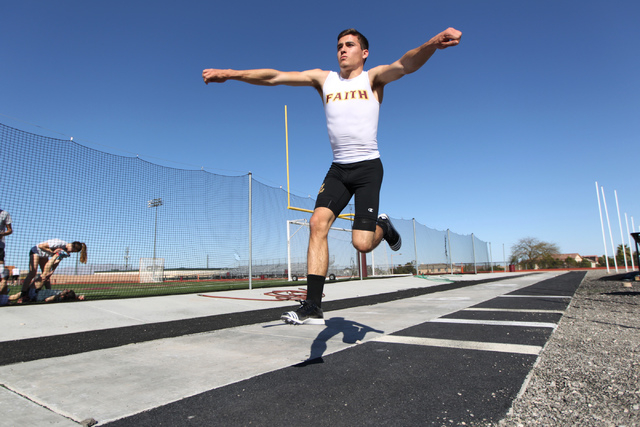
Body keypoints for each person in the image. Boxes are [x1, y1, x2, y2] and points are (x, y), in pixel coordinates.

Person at [203, 27, 462, 325]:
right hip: (338, 169)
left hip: (367, 168)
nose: (342, 49)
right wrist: (230, 73)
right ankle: (313, 304)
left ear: (364, 53)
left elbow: (406, 64)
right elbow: (274, 76)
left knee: (362, 245)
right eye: (339, 45)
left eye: (349, 45)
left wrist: (432, 43)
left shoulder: (373, 78)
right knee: (317, 223)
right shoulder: (323, 79)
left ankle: (384, 227)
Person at [19, 239, 87, 301]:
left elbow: (56, 263)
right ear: (72, 246)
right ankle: (23, 294)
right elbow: (40, 246)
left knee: (46, 275)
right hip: (36, 251)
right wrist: (52, 251)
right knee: (32, 273)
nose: (71, 252)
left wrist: (52, 272)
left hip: (44, 255)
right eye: (72, 250)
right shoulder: (59, 243)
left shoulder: (64, 251)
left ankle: (49, 292)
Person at [0, 208, 13, 306]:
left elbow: (10, 230)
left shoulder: (4, 214)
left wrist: (2, 233)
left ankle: (3, 299)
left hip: (0, 247)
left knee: (2, 275)